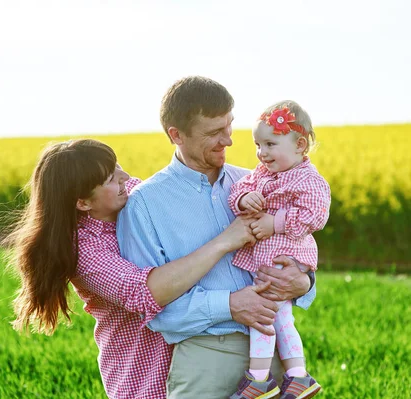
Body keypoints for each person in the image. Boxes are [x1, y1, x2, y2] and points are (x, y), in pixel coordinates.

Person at [3, 139, 258, 399]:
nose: (126, 177)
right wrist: (225, 242)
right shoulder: (83, 251)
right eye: (111, 179)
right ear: (83, 202)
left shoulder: (135, 194)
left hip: (203, 357)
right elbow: (144, 292)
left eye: (119, 167)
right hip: (144, 370)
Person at [117, 76, 318, 398]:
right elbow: (149, 306)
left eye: (229, 127)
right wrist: (231, 305)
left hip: (276, 352)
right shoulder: (145, 204)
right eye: (213, 133)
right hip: (207, 356)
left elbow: (297, 245)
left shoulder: (255, 182)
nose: (228, 141)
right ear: (176, 135)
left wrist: (304, 281)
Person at [227, 101, 331, 399]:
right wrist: (245, 197)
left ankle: (259, 380)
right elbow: (238, 188)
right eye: (258, 144)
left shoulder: (309, 179)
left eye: (270, 144)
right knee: (278, 317)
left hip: (286, 255)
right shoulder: (261, 173)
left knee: (265, 314)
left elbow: (316, 215)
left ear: (300, 145)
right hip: (266, 257)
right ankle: (296, 376)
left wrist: (275, 222)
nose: (262, 152)